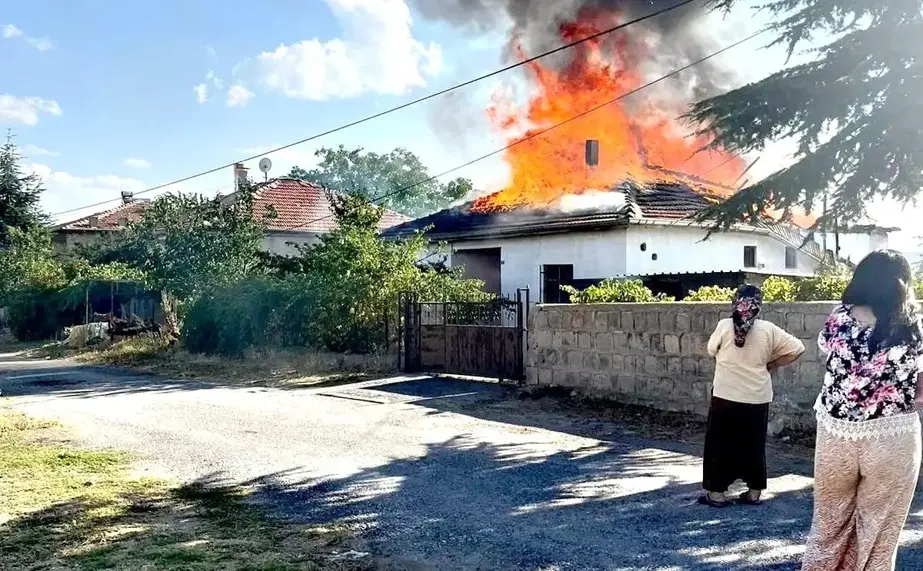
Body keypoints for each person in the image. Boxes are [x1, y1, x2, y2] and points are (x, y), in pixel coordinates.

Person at [803, 250, 923, 571]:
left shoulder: (838, 318)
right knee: (879, 537)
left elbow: (827, 354)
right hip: (892, 434)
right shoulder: (913, 325)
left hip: (836, 432)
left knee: (827, 527)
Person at [699, 284, 805, 508]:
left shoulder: (724, 326)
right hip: (757, 397)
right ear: (759, 305)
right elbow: (797, 349)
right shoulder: (769, 329)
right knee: (753, 445)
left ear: (735, 302)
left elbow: (710, 350)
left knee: (720, 444)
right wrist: (773, 363)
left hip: (725, 395)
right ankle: (754, 492)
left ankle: (717, 493)